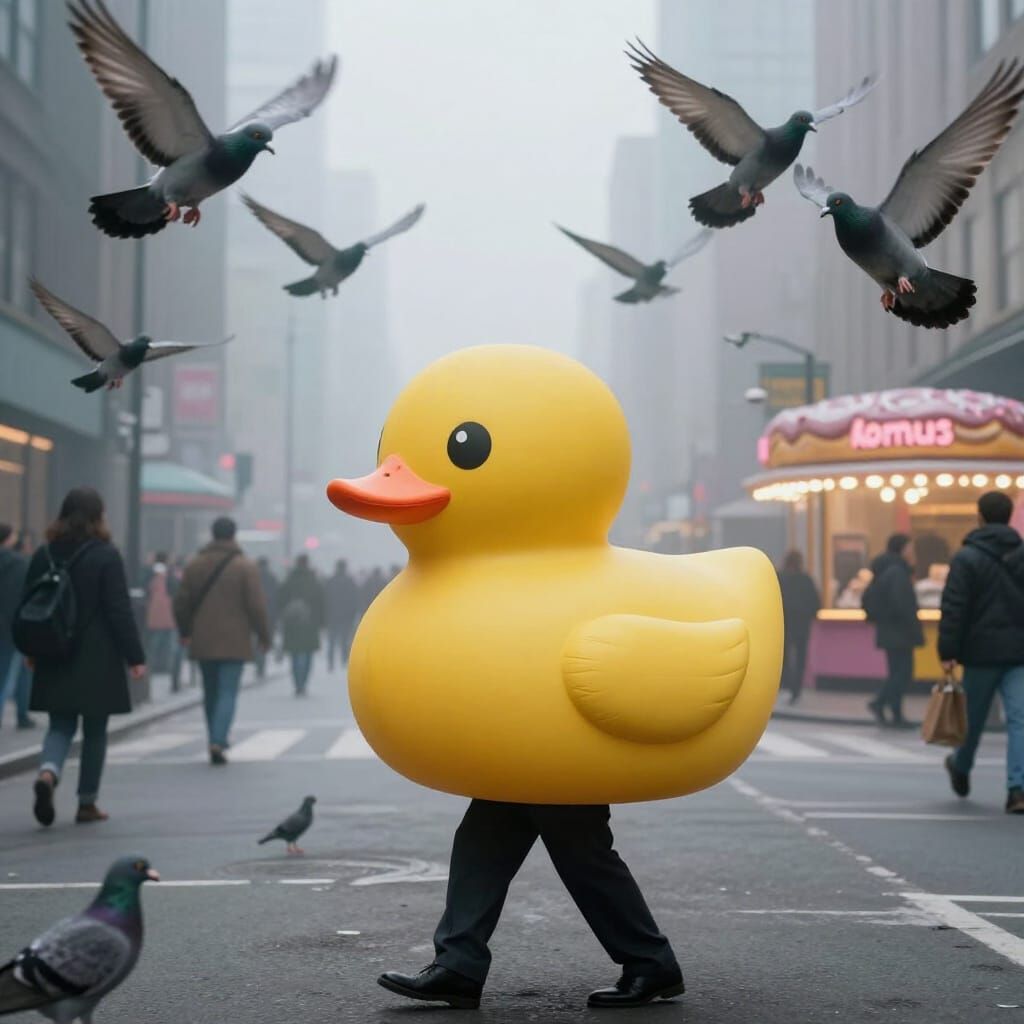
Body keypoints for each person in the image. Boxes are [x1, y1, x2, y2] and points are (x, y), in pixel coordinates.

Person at [21, 488, 146, 825]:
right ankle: (87, 803)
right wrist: (135, 656)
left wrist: (31, 650)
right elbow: (119, 610)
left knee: (60, 724)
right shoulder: (106, 555)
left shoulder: (44, 554)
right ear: (98, 517)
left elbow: (30, 605)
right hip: (97, 654)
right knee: (95, 730)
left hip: (53, 650)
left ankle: (48, 773)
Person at [939, 491, 1024, 814]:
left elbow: (955, 606)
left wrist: (948, 649)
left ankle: (961, 766)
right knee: (1020, 721)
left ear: (981, 517)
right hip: (1019, 652)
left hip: (980, 652)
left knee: (971, 719)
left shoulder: (967, 558)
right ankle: (1018, 789)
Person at [174, 517, 270, 764]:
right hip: (235, 640)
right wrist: (264, 636)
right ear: (233, 535)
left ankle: (212, 737)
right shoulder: (244, 566)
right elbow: (256, 606)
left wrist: (185, 631)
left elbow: (182, 602)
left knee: (210, 691)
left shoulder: (195, 564)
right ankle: (218, 739)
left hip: (203, 639)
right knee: (228, 692)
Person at [862, 533, 923, 728]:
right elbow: (901, 604)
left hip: (889, 630)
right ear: (902, 549)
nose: (913, 552)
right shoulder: (897, 571)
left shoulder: (886, 569)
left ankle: (894, 712)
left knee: (897, 672)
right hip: (899, 631)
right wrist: (912, 626)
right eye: (910, 548)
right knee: (903, 672)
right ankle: (880, 703)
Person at [0, 524, 34, 729]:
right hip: (14, 628)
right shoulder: (20, 564)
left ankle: (23, 714)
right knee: (13, 674)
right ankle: (22, 714)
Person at [777, 549, 820, 704]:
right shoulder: (806, 579)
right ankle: (797, 688)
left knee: (784, 656)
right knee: (801, 656)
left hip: (784, 623)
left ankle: (787, 684)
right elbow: (815, 603)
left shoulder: (779, 578)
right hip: (802, 624)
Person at [278, 554, 324, 695]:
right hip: (309, 624)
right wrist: (321, 622)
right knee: (307, 654)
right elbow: (321, 603)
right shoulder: (313, 581)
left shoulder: (289, 580)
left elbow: (280, 601)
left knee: (295, 654)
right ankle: (303, 683)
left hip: (292, 624)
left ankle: (297, 682)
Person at [143, 551, 177, 676]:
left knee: (155, 642)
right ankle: (166, 667)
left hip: (155, 612)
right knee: (167, 643)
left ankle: (152, 667)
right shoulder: (169, 573)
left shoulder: (150, 572)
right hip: (168, 612)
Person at [324, 558, 358, 671]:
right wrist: (352, 615)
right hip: (345, 617)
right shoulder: (349, 581)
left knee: (332, 641)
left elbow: (324, 599)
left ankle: (331, 662)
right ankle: (344, 659)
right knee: (344, 639)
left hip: (332, 616)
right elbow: (354, 599)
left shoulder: (330, 581)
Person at [255, 557, 279, 678]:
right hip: (269, 614)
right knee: (264, 639)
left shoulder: (252, 577)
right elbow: (277, 598)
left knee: (256, 639)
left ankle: (259, 663)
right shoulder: (272, 578)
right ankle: (261, 664)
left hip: (254, 614)